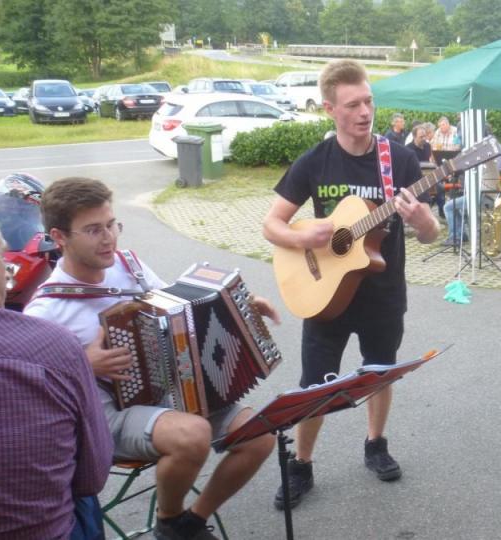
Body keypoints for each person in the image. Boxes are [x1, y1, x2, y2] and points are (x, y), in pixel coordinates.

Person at [23, 178, 277, 540]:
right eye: (93, 230)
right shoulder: (46, 310)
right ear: (59, 237)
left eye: (111, 224)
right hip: (106, 414)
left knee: (260, 433)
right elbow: (27, 386)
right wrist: (83, 364)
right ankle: (170, 521)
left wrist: (241, 309)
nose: (109, 237)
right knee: (192, 435)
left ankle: (190, 521)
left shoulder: (130, 266)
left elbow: (180, 311)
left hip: (169, 393)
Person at [262, 59, 440, 510]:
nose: (365, 112)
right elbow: (272, 225)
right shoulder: (315, 161)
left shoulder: (397, 159)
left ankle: (375, 444)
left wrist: (422, 222)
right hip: (324, 296)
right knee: (313, 384)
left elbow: (431, 233)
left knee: (379, 373)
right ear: (330, 110)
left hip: (382, 294)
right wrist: (305, 234)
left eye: (369, 101)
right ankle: (301, 465)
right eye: (353, 104)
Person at [0, 203, 112, 540]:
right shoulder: (52, 341)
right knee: (83, 499)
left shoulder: (131, 267)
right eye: (2, 258)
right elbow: (92, 477)